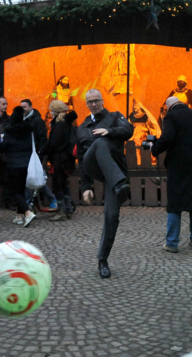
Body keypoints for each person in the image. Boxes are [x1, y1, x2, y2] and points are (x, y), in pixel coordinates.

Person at [77, 89, 133, 278]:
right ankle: (119, 184)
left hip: (114, 173)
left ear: (102, 101)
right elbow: (80, 157)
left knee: (112, 216)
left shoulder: (115, 117)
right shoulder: (83, 126)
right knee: (99, 143)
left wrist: (109, 131)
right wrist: (86, 187)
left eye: (96, 101)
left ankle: (103, 260)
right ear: (86, 104)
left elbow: (129, 130)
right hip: (92, 165)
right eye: (90, 102)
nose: (93, 104)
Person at [151, 97, 192, 253]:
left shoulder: (171, 117)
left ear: (168, 106)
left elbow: (167, 138)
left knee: (175, 204)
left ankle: (172, 243)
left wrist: (155, 148)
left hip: (178, 167)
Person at [40, 100, 78, 221]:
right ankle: (68, 209)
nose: (50, 112)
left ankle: (61, 211)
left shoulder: (59, 125)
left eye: (51, 110)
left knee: (58, 186)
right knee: (64, 184)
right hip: (66, 160)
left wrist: (43, 150)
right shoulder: (67, 123)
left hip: (59, 160)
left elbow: (54, 143)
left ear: (56, 111)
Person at [0, 106, 36, 227]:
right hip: (27, 164)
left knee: (14, 191)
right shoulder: (28, 129)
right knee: (20, 190)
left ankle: (28, 213)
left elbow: (3, 147)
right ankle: (19, 217)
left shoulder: (9, 130)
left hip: (13, 165)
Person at [21, 98, 57, 209]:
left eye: (25, 107)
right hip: (26, 154)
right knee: (33, 178)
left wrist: (40, 153)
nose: (23, 109)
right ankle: (46, 199)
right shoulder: (23, 120)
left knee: (32, 177)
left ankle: (29, 202)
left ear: (31, 107)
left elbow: (42, 139)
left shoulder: (37, 121)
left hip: (35, 154)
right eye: (21, 107)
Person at [128, 98, 161, 165]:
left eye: (136, 105)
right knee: (132, 144)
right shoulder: (131, 116)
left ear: (140, 106)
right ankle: (135, 163)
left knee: (144, 148)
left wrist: (151, 133)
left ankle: (146, 163)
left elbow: (151, 125)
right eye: (133, 105)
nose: (134, 107)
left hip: (143, 135)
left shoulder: (145, 115)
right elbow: (128, 125)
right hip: (134, 135)